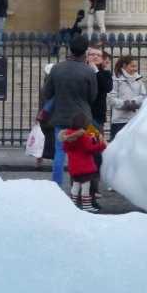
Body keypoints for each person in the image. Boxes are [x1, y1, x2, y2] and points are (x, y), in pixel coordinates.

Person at [42, 34, 98, 186]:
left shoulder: (57, 68)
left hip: (61, 116)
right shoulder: (89, 71)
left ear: (70, 49)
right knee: (86, 150)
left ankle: (56, 185)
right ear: (85, 51)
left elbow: (47, 93)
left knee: (59, 152)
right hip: (83, 118)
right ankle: (82, 186)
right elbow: (92, 96)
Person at [62, 112, 107, 212]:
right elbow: (90, 149)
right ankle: (87, 205)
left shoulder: (67, 135)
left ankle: (72, 204)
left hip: (73, 167)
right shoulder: (84, 136)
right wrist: (102, 145)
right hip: (85, 167)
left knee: (75, 185)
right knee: (86, 187)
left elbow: (65, 149)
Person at [87, 46, 113, 206]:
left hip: (96, 119)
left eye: (98, 55)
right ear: (87, 56)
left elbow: (107, 87)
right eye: (92, 54)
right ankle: (81, 187)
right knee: (82, 152)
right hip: (82, 118)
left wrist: (96, 71)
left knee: (95, 151)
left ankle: (93, 188)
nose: (95, 57)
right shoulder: (82, 71)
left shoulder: (104, 74)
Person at [107, 55, 147, 140]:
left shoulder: (138, 78)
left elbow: (143, 96)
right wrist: (125, 104)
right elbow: (111, 99)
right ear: (124, 66)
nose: (135, 69)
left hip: (135, 120)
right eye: (132, 66)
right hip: (119, 121)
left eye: (136, 66)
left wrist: (134, 102)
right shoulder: (115, 79)